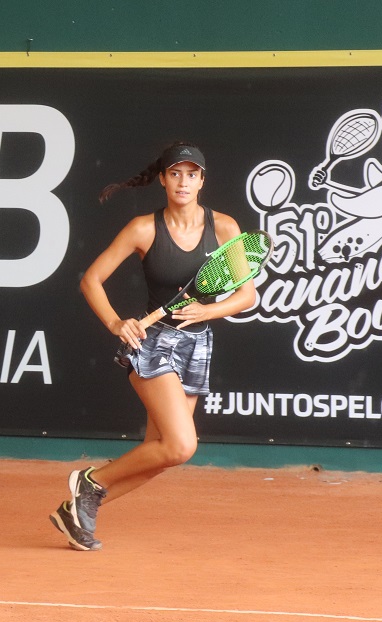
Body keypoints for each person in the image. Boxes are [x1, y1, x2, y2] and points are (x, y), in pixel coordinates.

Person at [49, 142, 257, 551]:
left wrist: (204, 312)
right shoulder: (143, 229)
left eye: (191, 174)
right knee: (183, 444)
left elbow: (246, 296)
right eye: (175, 173)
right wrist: (114, 321)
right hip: (154, 342)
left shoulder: (226, 228)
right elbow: (91, 280)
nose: (183, 181)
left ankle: (76, 510)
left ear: (202, 181)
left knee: (163, 452)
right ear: (162, 179)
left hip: (198, 343)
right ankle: (91, 481)